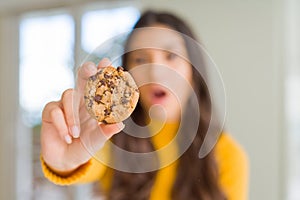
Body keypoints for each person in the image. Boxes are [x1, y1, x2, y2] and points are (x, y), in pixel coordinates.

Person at [40, 10, 249, 200]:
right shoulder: (112, 139)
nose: (155, 72)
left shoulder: (227, 156)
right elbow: (85, 159)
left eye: (171, 56)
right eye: (140, 59)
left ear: (194, 69)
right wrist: (65, 161)